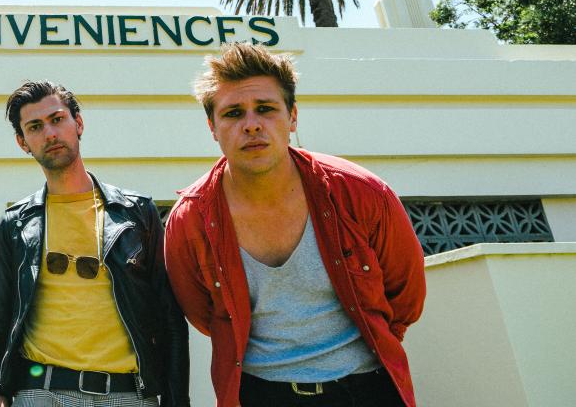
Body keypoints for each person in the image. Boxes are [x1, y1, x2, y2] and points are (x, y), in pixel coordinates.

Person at [164, 43, 426, 407]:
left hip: (369, 387)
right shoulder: (190, 219)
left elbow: (406, 294)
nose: (251, 124)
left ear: (293, 117)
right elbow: (204, 314)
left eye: (266, 109)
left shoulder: (360, 193)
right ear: (213, 127)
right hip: (259, 392)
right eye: (233, 113)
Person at [0, 80, 190, 407]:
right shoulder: (13, 226)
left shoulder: (136, 214)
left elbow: (171, 321)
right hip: (40, 393)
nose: (50, 133)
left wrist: (177, 400)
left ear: (78, 123)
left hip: (129, 394)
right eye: (35, 127)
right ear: (23, 142)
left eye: (57, 119)